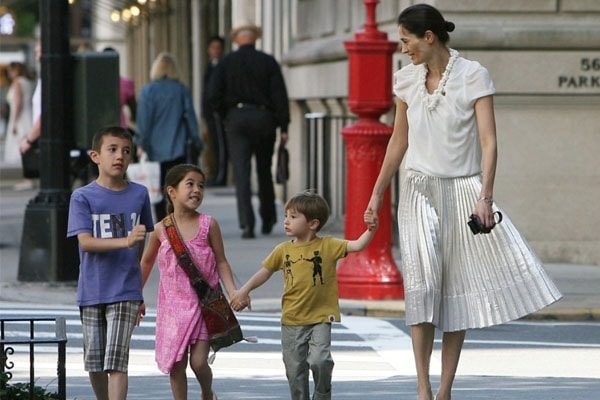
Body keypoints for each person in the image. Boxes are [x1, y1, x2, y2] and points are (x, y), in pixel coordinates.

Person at [365, 4, 563, 400]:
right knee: (421, 286)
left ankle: (444, 390)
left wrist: (485, 197)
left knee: (454, 288)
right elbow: (398, 140)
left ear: (429, 37)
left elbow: (490, 142)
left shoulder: (474, 75)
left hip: (463, 190)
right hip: (418, 188)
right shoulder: (406, 80)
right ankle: (421, 388)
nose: (403, 49)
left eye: (406, 40)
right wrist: (377, 192)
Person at [230, 191, 378, 400]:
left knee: (321, 360)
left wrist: (371, 230)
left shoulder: (328, 245)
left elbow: (357, 245)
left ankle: (322, 394)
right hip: (292, 319)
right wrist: (244, 290)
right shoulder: (282, 250)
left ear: (313, 224)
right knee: (295, 371)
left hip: (320, 317)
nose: (286, 221)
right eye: (286, 216)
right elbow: (264, 272)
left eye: (293, 217)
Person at [67, 126, 153, 400]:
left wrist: (138, 288)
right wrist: (125, 242)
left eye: (126, 151)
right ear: (95, 156)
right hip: (92, 288)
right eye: (112, 150)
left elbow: (141, 243)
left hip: (125, 289)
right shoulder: (82, 197)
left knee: (116, 361)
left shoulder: (139, 194)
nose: (120, 156)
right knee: (95, 362)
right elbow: (86, 242)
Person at [140, 164, 237, 400]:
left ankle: (206, 392)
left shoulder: (209, 225)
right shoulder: (160, 230)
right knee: (176, 365)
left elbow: (222, 262)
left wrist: (234, 292)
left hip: (204, 305)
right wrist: (135, 297)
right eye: (190, 184)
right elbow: (145, 264)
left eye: (201, 186)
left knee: (199, 362)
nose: (196, 190)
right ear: (172, 192)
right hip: (172, 309)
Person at [207, 23, 290, 239]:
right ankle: (268, 217)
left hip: (237, 118)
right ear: (255, 39)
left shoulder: (225, 63)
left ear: (236, 40)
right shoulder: (268, 61)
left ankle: (247, 223)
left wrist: (226, 114)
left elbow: (213, 95)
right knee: (263, 170)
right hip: (264, 118)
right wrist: (284, 125)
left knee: (242, 174)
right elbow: (280, 95)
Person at [136, 52, 203, 222]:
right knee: (177, 187)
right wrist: (197, 141)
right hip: (177, 147)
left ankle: (163, 223)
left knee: (158, 190)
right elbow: (190, 118)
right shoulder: (181, 90)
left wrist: (141, 143)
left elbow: (143, 122)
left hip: (154, 150)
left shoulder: (148, 91)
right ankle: (177, 220)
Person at [201, 36, 228, 187]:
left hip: (218, 113)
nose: (215, 51)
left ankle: (221, 177)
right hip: (210, 113)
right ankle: (214, 172)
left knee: (221, 145)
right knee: (213, 145)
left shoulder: (223, 66)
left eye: (218, 48)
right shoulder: (209, 66)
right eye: (213, 48)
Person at [18, 41, 42, 191]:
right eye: (36, 52)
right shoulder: (42, 77)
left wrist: (29, 139)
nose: (37, 55)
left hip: (43, 135)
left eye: (39, 51)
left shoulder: (49, 77)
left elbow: (46, 113)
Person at [4, 62, 33, 166]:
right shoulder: (27, 82)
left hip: (19, 117)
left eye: (10, 71)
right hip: (28, 116)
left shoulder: (17, 82)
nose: (9, 74)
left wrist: (15, 122)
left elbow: (18, 103)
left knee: (18, 143)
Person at [103, 47, 137, 130]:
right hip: (120, 129)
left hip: (99, 130)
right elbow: (134, 110)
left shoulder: (94, 84)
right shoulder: (125, 84)